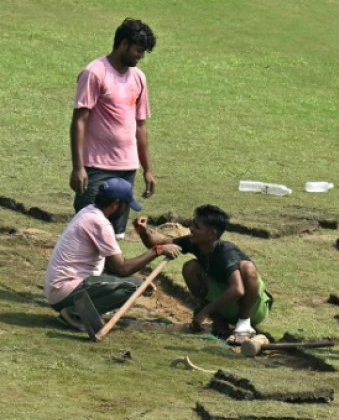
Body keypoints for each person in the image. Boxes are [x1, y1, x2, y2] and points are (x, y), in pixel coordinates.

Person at [45, 178, 182, 330]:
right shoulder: (100, 223)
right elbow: (121, 268)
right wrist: (158, 250)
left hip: (59, 292)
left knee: (133, 283)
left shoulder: (89, 211)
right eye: (126, 206)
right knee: (133, 287)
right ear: (115, 204)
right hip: (66, 292)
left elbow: (112, 265)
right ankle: (74, 313)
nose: (126, 211)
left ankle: (75, 311)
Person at [71, 18, 157, 238]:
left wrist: (147, 169)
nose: (141, 56)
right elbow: (79, 120)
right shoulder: (94, 73)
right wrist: (78, 167)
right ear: (124, 44)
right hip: (96, 167)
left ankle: (109, 272)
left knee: (115, 235)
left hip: (127, 168)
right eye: (139, 50)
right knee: (87, 230)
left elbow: (140, 125)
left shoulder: (138, 78)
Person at [134, 205, 273, 340]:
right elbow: (160, 243)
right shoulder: (194, 242)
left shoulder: (226, 251)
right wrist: (144, 232)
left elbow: (238, 290)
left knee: (248, 268)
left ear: (211, 234)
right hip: (227, 305)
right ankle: (218, 320)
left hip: (253, 308)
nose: (190, 229)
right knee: (190, 267)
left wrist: (205, 312)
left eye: (196, 227)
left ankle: (244, 324)